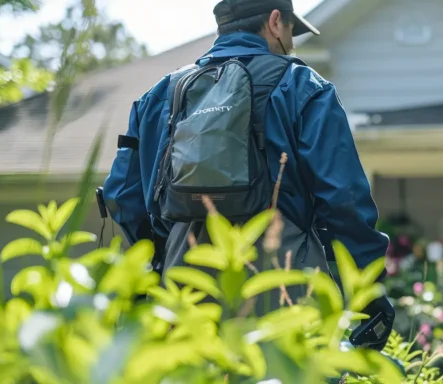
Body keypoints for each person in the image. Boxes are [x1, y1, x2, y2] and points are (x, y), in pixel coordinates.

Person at [101, 0, 393, 349]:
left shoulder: (158, 96)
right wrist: (367, 285)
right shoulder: (304, 87)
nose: (291, 42)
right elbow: (344, 199)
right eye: (290, 31)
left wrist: (160, 260)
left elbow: (121, 195)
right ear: (274, 22)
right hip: (284, 281)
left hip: (186, 281)